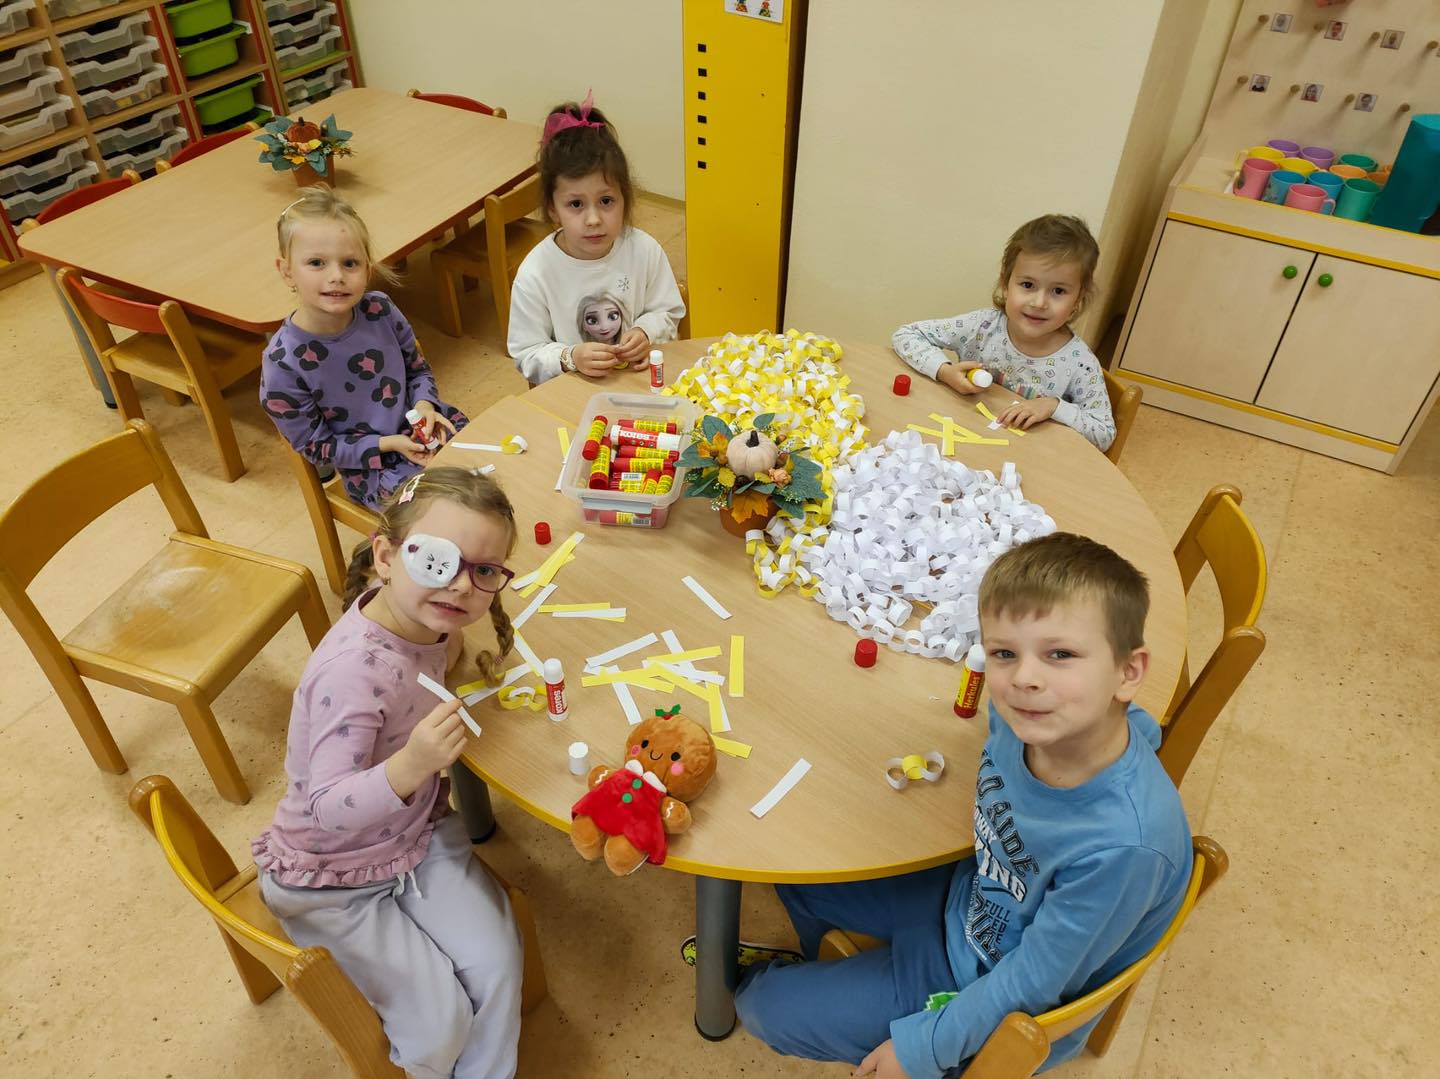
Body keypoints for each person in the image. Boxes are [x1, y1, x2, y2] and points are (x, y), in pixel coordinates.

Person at [732, 532, 1191, 1079]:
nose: (1024, 678)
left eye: (1060, 655)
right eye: (1004, 653)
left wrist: (923, 1049)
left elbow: (1033, 984)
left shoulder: (1123, 849)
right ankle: (836, 968)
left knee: (757, 1006)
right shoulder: (1030, 721)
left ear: (1128, 672)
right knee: (794, 872)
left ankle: (829, 988)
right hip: (963, 897)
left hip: (981, 984)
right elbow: (1132, 724)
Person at [254, 468, 523, 1079]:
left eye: (484, 571)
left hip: (412, 837)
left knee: (497, 964)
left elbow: (435, 658)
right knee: (438, 1026)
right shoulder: (353, 672)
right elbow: (326, 806)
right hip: (331, 875)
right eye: (438, 561)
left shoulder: (430, 622)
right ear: (385, 556)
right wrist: (412, 764)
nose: (460, 585)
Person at [261, 186, 468, 510]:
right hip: (374, 468)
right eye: (316, 262)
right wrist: (388, 444)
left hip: (424, 429)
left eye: (350, 263)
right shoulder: (283, 364)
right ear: (287, 272)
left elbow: (417, 371)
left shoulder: (380, 309)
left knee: (492, 469)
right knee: (444, 512)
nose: (336, 276)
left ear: (368, 270)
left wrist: (425, 406)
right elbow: (317, 448)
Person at [891, 215, 1116, 451]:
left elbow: (1104, 434)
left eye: (1058, 291)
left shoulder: (1080, 363)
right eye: (1027, 285)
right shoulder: (983, 325)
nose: (1039, 303)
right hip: (963, 444)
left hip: (1030, 461)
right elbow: (906, 335)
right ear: (1005, 284)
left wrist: (1053, 406)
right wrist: (945, 372)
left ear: (1078, 299)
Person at [507, 91, 685, 384]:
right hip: (573, 393)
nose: (593, 219)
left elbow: (668, 311)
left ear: (625, 199)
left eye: (606, 201)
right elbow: (526, 353)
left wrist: (645, 332)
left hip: (637, 384)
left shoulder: (643, 250)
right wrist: (569, 357)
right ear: (553, 209)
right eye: (576, 204)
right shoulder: (536, 273)